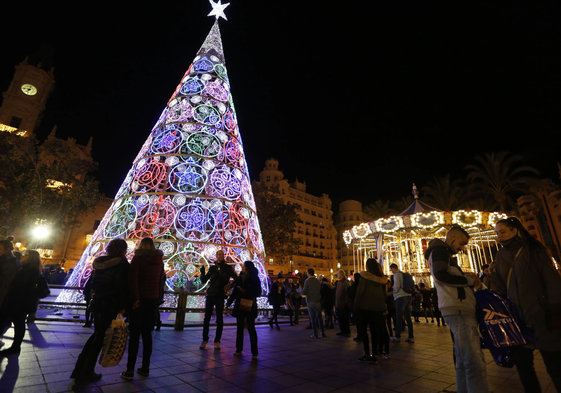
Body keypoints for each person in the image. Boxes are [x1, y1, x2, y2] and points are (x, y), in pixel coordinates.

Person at [493, 217, 561, 392]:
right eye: (497, 233)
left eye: (502, 231)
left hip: (541, 314)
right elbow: (499, 282)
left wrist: (555, 307)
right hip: (517, 318)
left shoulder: (533, 249)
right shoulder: (501, 254)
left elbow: (551, 279)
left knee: (554, 364)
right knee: (523, 364)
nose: (499, 236)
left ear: (514, 230)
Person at [426, 225, 488, 393]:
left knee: (463, 360)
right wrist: (467, 280)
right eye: (461, 243)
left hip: (456, 308)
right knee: (474, 361)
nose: (462, 248)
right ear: (452, 238)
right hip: (458, 309)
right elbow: (441, 275)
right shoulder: (440, 251)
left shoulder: (444, 254)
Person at [71, 239, 130, 384]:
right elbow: (122, 287)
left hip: (97, 303)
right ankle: (86, 371)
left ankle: (80, 368)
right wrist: (123, 306)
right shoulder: (122, 265)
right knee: (99, 337)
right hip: (111, 304)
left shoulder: (99, 263)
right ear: (123, 249)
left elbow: (93, 283)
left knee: (97, 334)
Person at [121, 238, 165, 380]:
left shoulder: (138, 259)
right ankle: (145, 367)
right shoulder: (159, 261)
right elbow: (161, 281)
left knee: (134, 336)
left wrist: (136, 298)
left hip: (139, 301)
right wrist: (158, 299)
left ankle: (129, 370)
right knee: (147, 335)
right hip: (152, 301)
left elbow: (132, 280)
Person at [0, 249, 42, 355]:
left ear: (32, 258)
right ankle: (15, 347)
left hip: (19, 302)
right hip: (15, 301)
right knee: (15, 324)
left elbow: (26, 288)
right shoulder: (24, 268)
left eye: (26, 255)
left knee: (18, 325)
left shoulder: (31, 270)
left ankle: (15, 347)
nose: (23, 256)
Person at [200, 249, 237, 350]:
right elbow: (204, 280)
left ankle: (217, 340)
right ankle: (205, 339)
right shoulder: (212, 268)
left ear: (224, 256)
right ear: (216, 256)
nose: (220, 256)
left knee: (219, 318)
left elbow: (237, 279)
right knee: (207, 318)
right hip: (211, 294)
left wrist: (230, 286)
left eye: (222, 254)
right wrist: (202, 273)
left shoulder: (228, 268)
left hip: (220, 295)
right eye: (218, 254)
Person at [355, 258, 389, 363]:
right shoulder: (380, 280)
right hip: (378, 308)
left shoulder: (365, 278)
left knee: (364, 332)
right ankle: (374, 354)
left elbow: (360, 292)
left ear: (367, 266)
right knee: (375, 332)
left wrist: (356, 305)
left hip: (365, 308)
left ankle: (366, 353)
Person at [232, 261, 261, 358]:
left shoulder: (254, 278)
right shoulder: (240, 277)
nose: (242, 268)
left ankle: (254, 352)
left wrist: (245, 291)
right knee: (239, 328)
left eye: (244, 266)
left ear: (248, 268)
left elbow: (258, 292)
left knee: (251, 328)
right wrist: (230, 301)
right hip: (240, 305)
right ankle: (238, 349)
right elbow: (236, 289)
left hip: (250, 305)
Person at [389, 263, 414, 343]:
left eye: (391, 269)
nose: (391, 271)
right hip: (408, 296)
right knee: (408, 317)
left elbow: (397, 286)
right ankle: (411, 336)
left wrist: (394, 294)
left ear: (393, 268)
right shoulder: (403, 274)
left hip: (400, 296)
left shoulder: (397, 275)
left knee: (399, 317)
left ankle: (397, 336)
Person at [302, 268, 325, 339]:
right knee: (319, 317)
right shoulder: (318, 281)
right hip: (317, 301)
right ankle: (322, 332)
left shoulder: (307, 281)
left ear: (308, 273)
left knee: (313, 318)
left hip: (310, 301)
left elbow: (304, 292)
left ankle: (315, 333)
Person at [0, 237, 19, 308]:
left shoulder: (10, 262)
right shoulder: (5, 260)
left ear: (7, 250)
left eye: (0, 249)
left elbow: (5, 281)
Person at [334, 270, 351, 337]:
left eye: (338, 274)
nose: (337, 275)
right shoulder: (338, 282)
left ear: (341, 274)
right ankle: (342, 330)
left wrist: (346, 302)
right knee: (340, 318)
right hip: (339, 303)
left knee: (345, 318)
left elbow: (348, 292)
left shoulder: (346, 282)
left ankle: (347, 331)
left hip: (344, 304)